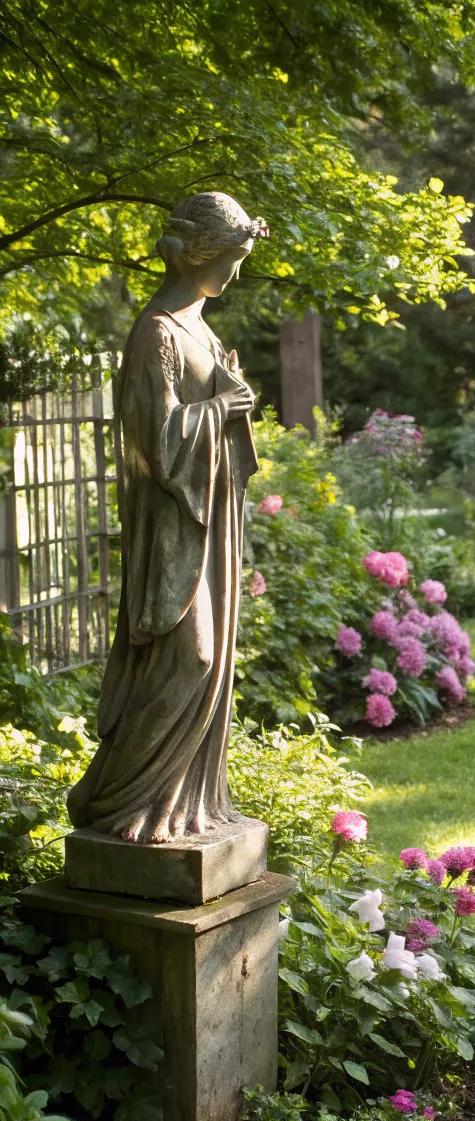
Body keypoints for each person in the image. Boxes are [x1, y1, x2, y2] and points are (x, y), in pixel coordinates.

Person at [68, 192, 268, 844]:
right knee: (191, 656)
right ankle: (112, 801)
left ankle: (181, 807)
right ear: (206, 255)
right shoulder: (155, 331)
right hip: (172, 526)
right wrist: (223, 408)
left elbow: (215, 420)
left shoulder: (201, 328)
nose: (237, 273)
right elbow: (156, 440)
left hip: (207, 523)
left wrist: (229, 404)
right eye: (235, 259)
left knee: (207, 662)